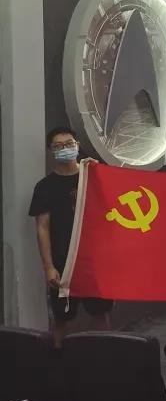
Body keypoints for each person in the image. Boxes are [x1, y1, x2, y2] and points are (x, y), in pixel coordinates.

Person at [29, 127, 112, 346]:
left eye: (69, 144)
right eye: (58, 146)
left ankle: (106, 355)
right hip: (63, 262)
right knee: (61, 318)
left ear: (77, 145)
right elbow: (42, 228)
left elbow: (115, 207)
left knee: (100, 312)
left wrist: (101, 172)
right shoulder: (45, 187)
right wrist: (48, 266)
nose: (64, 149)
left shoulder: (93, 177)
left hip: (94, 260)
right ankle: (58, 360)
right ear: (51, 151)